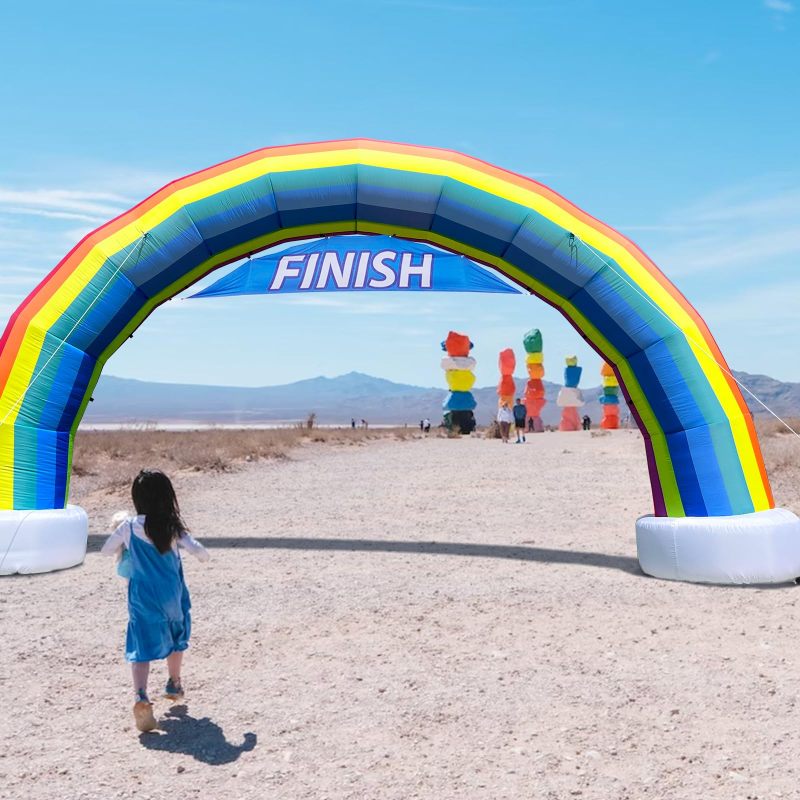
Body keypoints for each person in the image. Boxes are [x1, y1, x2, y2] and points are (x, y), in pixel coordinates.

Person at [101, 469, 209, 733]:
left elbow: (105, 550)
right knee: (175, 636)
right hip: (172, 594)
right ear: (166, 497)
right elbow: (199, 552)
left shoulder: (128, 526)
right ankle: (174, 682)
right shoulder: (172, 526)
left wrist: (125, 546)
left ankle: (141, 696)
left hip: (142, 596)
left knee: (141, 643)